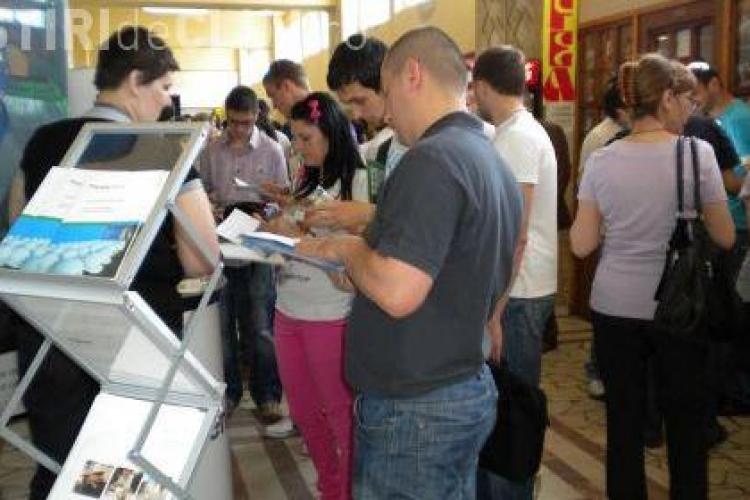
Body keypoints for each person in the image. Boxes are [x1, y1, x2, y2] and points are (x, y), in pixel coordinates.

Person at [298, 27, 523, 499]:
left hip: (417, 409)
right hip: (457, 385)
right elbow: (457, 268)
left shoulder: (432, 160)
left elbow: (398, 292)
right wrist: (362, 270)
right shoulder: (489, 157)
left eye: (385, 90)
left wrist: (347, 249)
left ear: (413, 75)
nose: (383, 111)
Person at [14, 26, 219, 499]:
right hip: (133, 342)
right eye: (163, 87)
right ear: (134, 81)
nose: (167, 101)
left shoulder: (43, 141)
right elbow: (202, 258)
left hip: (48, 341)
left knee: (61, 470)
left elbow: (18, 229)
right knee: (124, 478)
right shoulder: (164, 144)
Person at [571, 54, 735, 500]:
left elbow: (581, 244)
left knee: (624, 423)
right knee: (685, 424)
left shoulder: (603, 160)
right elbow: (725, 235)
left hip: (614, 306)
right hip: (680, 308)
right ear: (665, 98)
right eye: (686, 100)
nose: (690, 109)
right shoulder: (696, 155)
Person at [267, 92, 368, 500]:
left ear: (331, 133)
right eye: (295, 137)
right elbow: (291, 224)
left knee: (340, 415)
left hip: (331, 313)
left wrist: (303, 235)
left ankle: (345, 491)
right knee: (306, 414)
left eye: (306, 138)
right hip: (288, 306)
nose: (299, 146)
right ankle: (329, 488)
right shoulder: (304, 176)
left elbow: (363, 247)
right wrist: (275, 228)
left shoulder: (357, 180)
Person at [472, 45, 558, 500]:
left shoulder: (519, 138)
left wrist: (495, 311)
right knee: (503, 411)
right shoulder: (511, 133)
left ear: (483, 86)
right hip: (516, 289)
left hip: (519, 294)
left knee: (512, 416)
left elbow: (516, 234)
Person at [199, 85, 288, 422]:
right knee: (223, 326)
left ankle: (268, 394)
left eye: (246, 123)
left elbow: (283, 201)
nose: (239, 129)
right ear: (226, 116)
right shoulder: (212, 150)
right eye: (234, 122)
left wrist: (265, 212)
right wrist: (212, 207)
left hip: (259, 246)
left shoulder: (272, 150)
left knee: (261, 325)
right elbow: (203, 191)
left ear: (256, 117)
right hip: (223, 246)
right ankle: (231, 392)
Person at [689, 61, 750, 415]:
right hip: (713, 225)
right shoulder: (706, 122)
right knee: (714, 308)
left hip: (736, 224)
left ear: (714, 84)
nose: (693, 101)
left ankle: (733, 391)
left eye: (696, 92)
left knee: (731, 310)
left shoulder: (739, 118)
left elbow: (738, 179)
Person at [262, 59, 311, 138]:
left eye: (273, 96)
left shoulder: (323, 121)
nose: (274, 106)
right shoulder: (293, 127)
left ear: (286, 86)